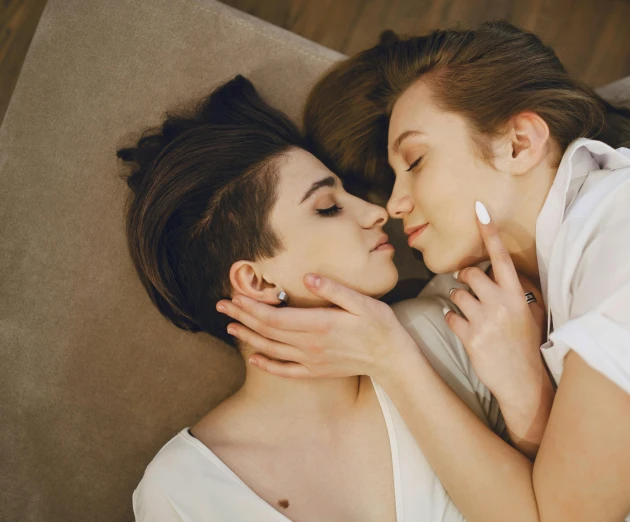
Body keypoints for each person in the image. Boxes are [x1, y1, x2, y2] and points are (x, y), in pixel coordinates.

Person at [223, 21, 630, 521]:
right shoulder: (518, 284)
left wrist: (394, 357)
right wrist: (530, 406)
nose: (393, 206)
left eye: (415, 161)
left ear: (519, 143)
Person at [120, 75, 513, 522]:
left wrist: (399, 361)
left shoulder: (448, 325)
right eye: (328, 207)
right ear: (256, 281)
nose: (376, 211)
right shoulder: (183, 490)